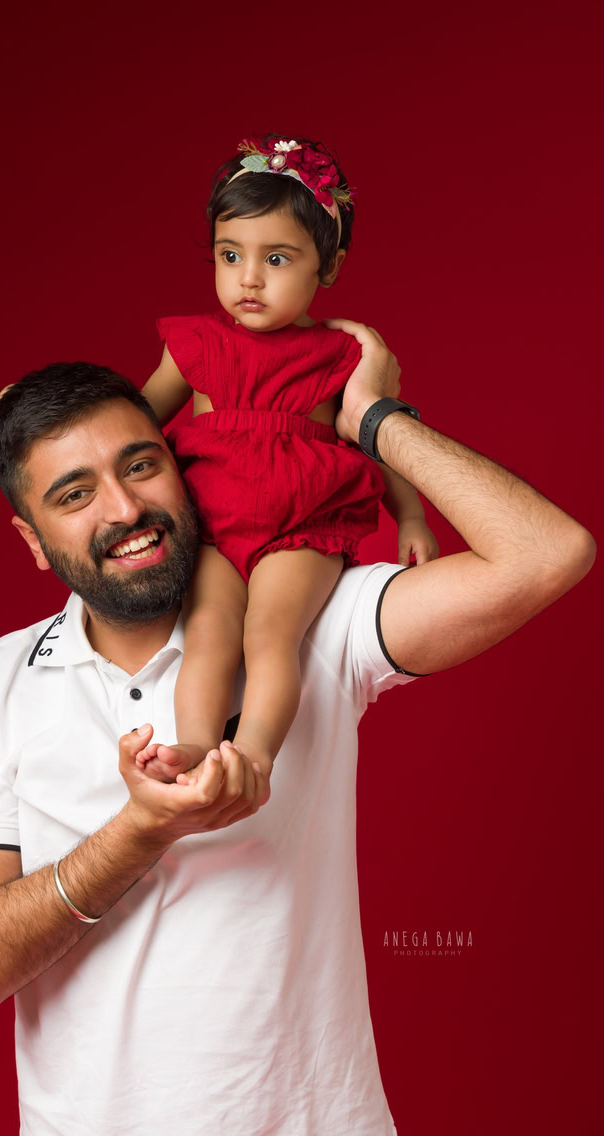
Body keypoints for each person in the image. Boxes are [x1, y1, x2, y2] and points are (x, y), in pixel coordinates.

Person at [0, 333, 593, 1135]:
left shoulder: (316, 618)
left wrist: (375, 417)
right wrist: (143, 830)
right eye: (74, 495)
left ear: (181, 460)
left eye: (140, 465)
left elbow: (549, 554)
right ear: (33, 541)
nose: (125, 509)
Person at [137, 134, 439, 789]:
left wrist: (411, 515)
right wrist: (56, 408)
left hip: (301, 522)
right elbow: (132, 419)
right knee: (211, 629)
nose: (249, 277)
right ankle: (194, 747)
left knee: (272, 633)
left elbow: (374, 440)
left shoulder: (344, 354)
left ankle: (252, 756)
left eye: (276, 258)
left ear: (325, 268)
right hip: (214, 524)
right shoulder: (194, 344)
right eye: (230, 255)